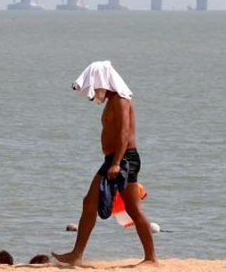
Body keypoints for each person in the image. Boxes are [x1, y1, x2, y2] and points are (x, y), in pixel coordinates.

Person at [52, 61, 157, 266]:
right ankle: (77, 254)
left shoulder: (121, 100)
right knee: (93, 203)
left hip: (124, 159)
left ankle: (151, 259)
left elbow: (124, 133)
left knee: (131, 208)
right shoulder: (113, 100)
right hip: (115, 159)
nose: (95, 89)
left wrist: (117, 163)